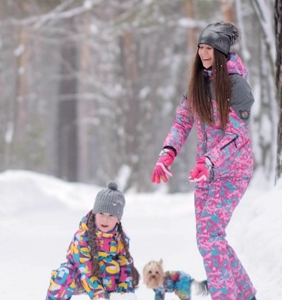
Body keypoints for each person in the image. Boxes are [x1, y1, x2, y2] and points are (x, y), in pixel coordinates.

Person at [151, 21, 256, 300]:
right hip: (206, 173)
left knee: (210, 236)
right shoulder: (199, 81)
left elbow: (236, 135)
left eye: (209, 48)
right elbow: (182, 122)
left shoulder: (236, 85)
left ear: (221, 52)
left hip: (233, 172)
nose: (204, 53)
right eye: (200, 47)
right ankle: (246, 294)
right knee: (209, 239)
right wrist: (167, 154)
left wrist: (210, 161)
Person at [46, 182, 139, 300]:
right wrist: (99, 296)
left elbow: (126, 270)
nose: (105, 219)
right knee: (62, 275)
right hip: (81, 276)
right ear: (95, 214)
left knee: (115, 268)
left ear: (118, 219)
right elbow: (85, 271)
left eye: (111, 215)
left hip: (108, 278)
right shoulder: (82, 237)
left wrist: (124, 295)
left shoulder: (121, 239)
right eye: (101, 213)